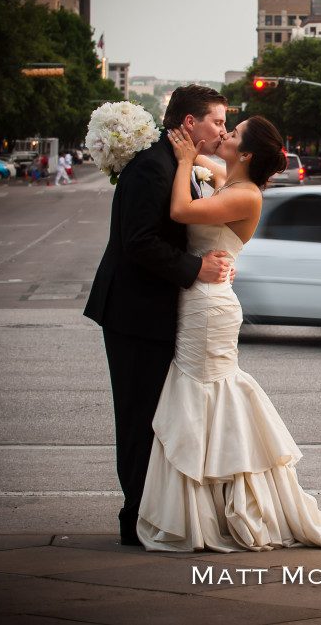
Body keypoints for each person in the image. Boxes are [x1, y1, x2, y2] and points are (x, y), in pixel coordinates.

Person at [134, 116, 321, 552]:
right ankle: (209, 502)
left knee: (205, 394)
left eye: (233, 133)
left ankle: (213, 507)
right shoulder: (227, 179)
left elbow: (181, 211)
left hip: (210, 307)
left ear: (248, 153)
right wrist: (176, 144)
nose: (225, 134)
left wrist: (185, 161)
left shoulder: (246, 194)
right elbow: (203, 160)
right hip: (200, 297)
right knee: (206, 396)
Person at [84, 85, 235, 547]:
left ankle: (156, 512)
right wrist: (196, 268)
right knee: (139, 417)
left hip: (161, 311)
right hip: (134, 313)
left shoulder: (179, 162)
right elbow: (139, 242)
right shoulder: (153, 166)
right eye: (217, 121)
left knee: (160, 416)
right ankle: (134, 519)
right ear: (190, 122)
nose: (223, 130)